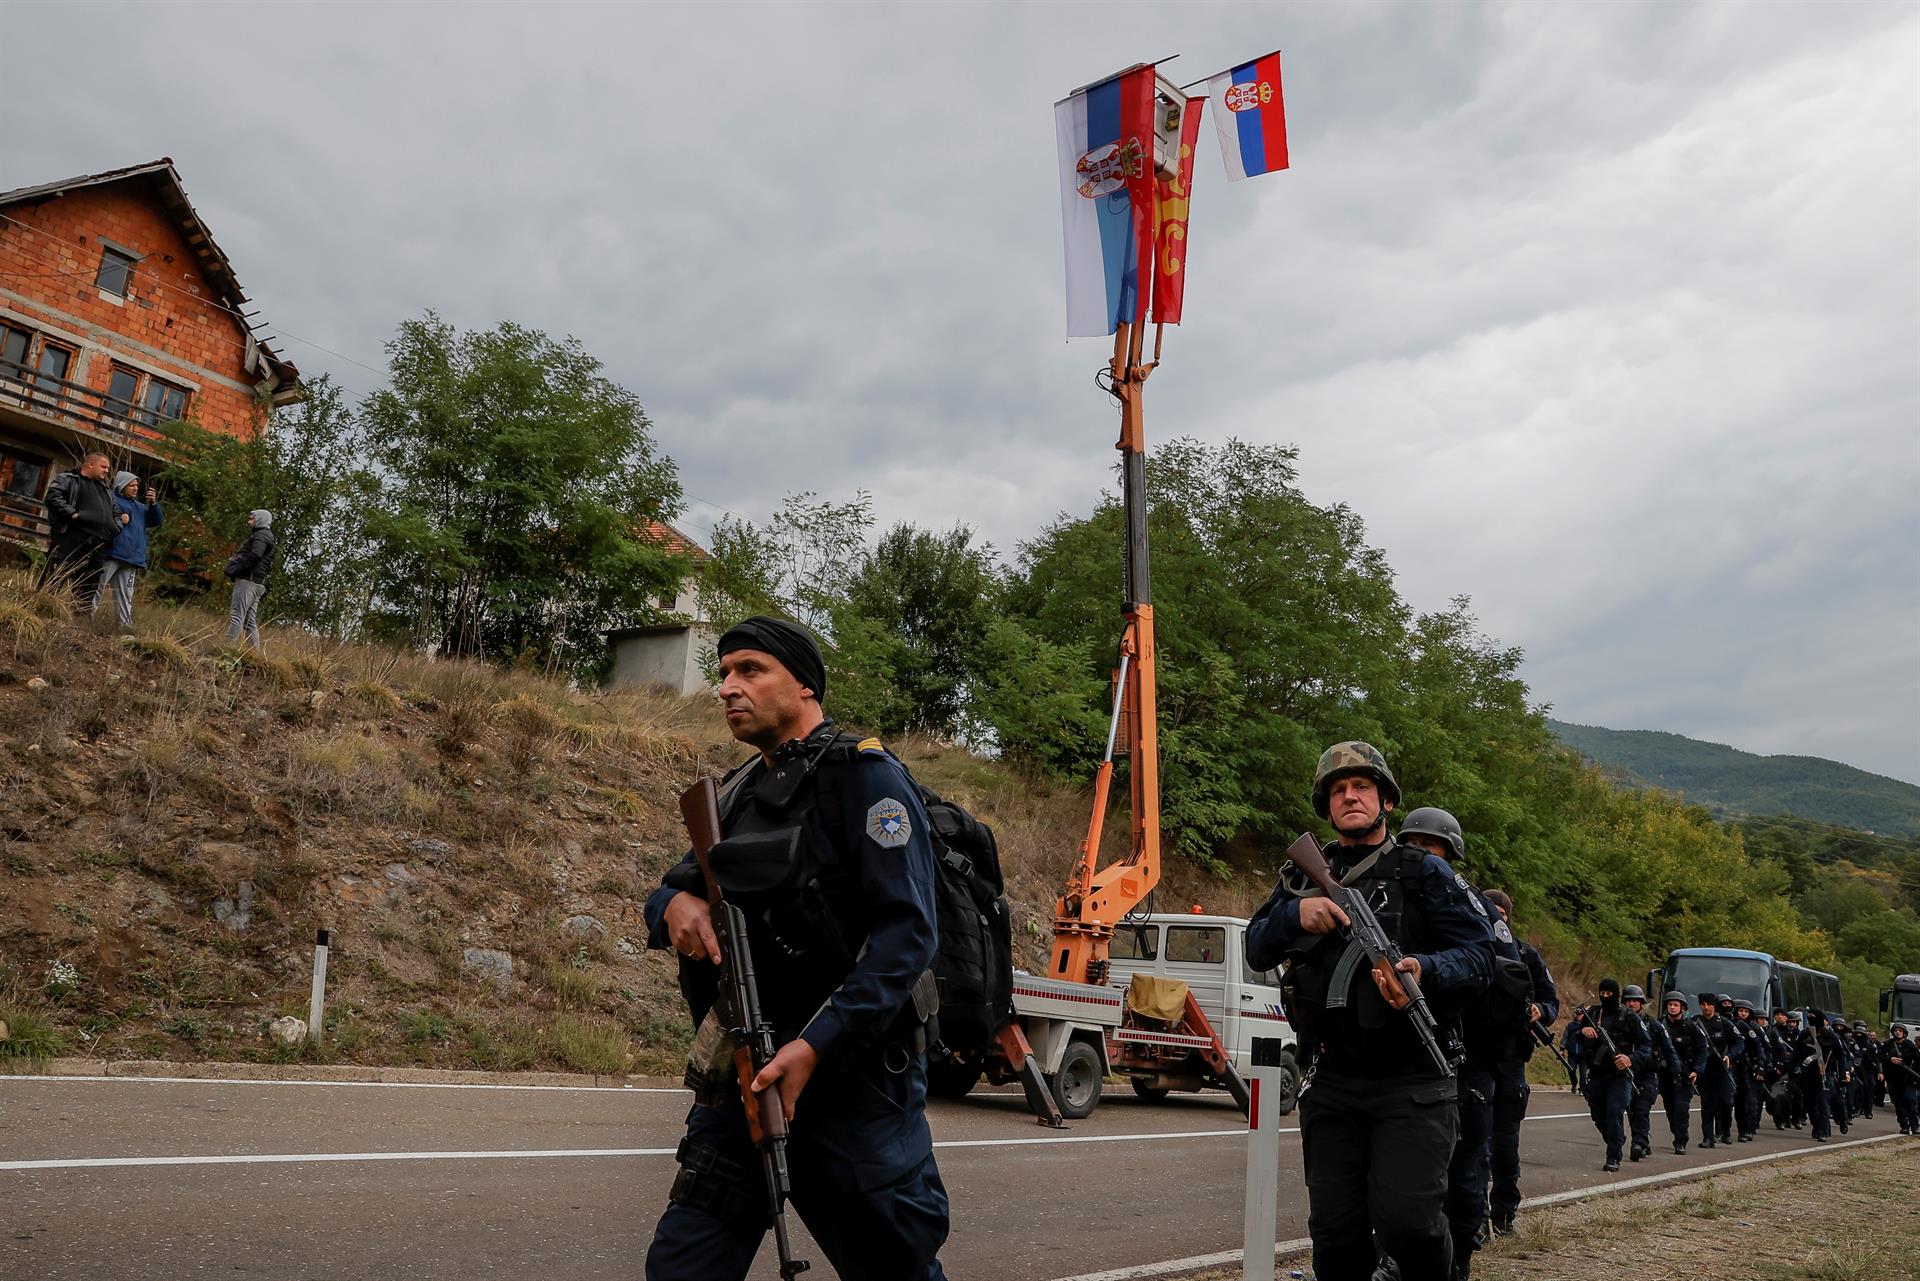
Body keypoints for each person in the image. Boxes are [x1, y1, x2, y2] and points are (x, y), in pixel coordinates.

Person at [641, 616, 948, 1280]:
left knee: (894, 1267)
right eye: (723, 672)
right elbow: (667, 891)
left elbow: (909, 935)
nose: (727, 686)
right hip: (747, 1073)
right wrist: (676, 906)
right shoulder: (739, 791)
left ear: (804, 683)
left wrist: (814, 1046)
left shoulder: (867, 779)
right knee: (681, 1267)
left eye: (750, 670)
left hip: (852, 1081)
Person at [1245, 742, 1497, 1281]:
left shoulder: (1425, 873)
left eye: (1361, 787)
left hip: (1414, 1081)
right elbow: (1255, 947)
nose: (1350, 796)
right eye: (1338, 790)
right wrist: (1294, 915)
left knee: (1409, 1223)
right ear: (1326, 805)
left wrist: (1424, 971)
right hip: (1331, 1077)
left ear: (1384, 799)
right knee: (1336, 1236)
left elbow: (1481, 956)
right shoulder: (1301, 877)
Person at [1397, 807, 1524, 1280]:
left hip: (1466, 1055)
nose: (1420, 855)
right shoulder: (1392, 899)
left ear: (1450, 854)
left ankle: (1459, 1262)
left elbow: (1505, 976)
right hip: (1403, 1058)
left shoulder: (1475, 907)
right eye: (1412, 845)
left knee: (1463, 1170)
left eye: (1430, 848)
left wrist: (1442, 972)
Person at [1480, 888, 1557, 1239]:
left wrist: (1542, 1010)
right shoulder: (1467, 948)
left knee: (1505, 1142)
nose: (1497, 918)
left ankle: (1504, 1213)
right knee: (1471, 1142)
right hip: (1475, 1056)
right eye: (1490, 910)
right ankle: (1473, 1215)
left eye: (1501, 912)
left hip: (1511, 1056)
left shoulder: (1525, 954)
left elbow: (1549, 999)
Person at [1577, 977, 1650, 1171]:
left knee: (1614, 1112)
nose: (1605, 997)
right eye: (1602, 994)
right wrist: (1583, 1030)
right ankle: (1615, 1138)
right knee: (1598, 1115)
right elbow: (1576, 1035)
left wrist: (1630, 1059)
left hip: (1620, 1075)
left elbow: (1646, 1045)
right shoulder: (1593, 1013)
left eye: (1609, 994)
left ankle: (1613, 1156)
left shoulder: (1629, 1017)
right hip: (1598, 1073)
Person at [38, 450, 117, 597]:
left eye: (108, 468)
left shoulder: (106, 490)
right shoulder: (68, 479)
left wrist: (115, 526)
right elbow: (53, 497)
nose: (107, 471)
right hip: (70, 538)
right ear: (91, 465)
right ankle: (41, 606)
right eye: (104, 467)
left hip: (97, 544)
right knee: (55, 577)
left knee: (89, 586)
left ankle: (81, 618)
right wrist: (72, 513)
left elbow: (116, 512)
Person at [93, 472, 162, 628]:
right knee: (97, 587)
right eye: (131, 485)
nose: (135, 488)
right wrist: (118, 519)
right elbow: (102, 519)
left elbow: (156, 520)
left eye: (137, 486)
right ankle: (85, 618)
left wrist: (153, 504)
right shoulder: (112, 500)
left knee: (126, 595)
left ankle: (125, 628)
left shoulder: (140, 507)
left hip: (131, 559)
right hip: (111, 554)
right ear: (121, 486)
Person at [1622, 985, 1673, 1160]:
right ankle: (1643, 1140)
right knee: (1631, 1110)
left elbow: (1668, 1048)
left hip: (1648, 1074)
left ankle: (1637, 1143)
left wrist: (1676, 1072)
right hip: (1627, 1073)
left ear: (1642, 1003)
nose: (1631, 1004)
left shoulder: (1654, 1025)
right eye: (1628, 1000)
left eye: (1635, 1000)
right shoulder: (1620, 1023)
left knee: (1642, 1108)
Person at [1657, 992, 1707, 1153]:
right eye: (1670, 1004)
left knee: (1681, 1109)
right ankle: (1676, 1132)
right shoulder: (1660, 1025)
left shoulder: (1691, 1027)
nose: (1672, 1007)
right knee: (1670, 1108)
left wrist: (1697, 1070)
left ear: (1682, 1008)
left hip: (1685, 1075)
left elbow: (1702, 1050)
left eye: (1676, 1004)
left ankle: (1681, 1141)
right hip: (1665, 1074)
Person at [223, 510, 275, 650]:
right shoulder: (266, 536)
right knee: (249, 621)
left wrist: (239, 569)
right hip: (257, 582)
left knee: (237, 616)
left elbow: (255, 555)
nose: (249, 522)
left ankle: (227, 649)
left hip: (248, 581)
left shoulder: (261, 536)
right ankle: (255, 653)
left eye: (252, 519)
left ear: (260, 520)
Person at [1696, 993, 1740, 1147]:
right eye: (1703, 1004)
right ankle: (1707, 1138)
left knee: (1725, 1103)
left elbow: (1739, 1042)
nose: (1706, 1007)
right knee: (1707, 1104)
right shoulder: (1696, 1023)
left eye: (1708, 1004)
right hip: (1705, 1070)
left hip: (1723, 1070)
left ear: (1714, 1005)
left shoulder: (1723, 1023)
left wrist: (1729, 1055)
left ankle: (1725, 1131)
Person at [1731, 999, 1768, 1141]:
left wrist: (1761, 1067)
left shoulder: (1755, 1029)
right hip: (1736, 1068)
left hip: (1751, 1069)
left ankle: (1749, 1129)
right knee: (1737, 1102)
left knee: (1751, 1102)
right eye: (1741, 1011)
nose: (1743, 1013)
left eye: (1746, 1011)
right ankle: (1741, 1129)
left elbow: (1763, 1048)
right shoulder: (1732, 1025)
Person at [1882, 1024, 1919, 1135]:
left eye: (1900, 1030)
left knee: (1911, 1101)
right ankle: (1904, 1125)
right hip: (1893, 1079)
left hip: (1908, 1079)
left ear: (1904, 1033)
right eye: (1896, 1030)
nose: (1897, 1032)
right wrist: (1890, 1059)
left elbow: (1918, 1059)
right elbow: (1880, 1056)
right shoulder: (1888, 1044)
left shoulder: (1910, 1045)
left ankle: (1914, 1125)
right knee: (1899, 1104)